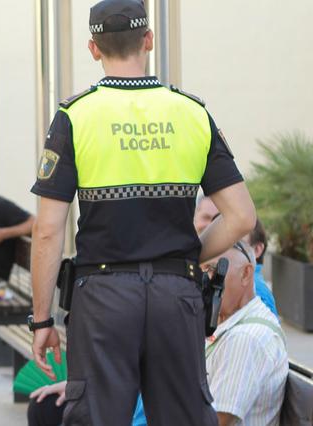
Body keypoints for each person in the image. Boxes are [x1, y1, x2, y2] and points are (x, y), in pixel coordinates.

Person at [29, 0, 256, 424]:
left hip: (103, 296)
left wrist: (41, 319)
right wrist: (188, 257)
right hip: (178, 294)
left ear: (93, 49)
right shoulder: (192, 112)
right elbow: (241, 216)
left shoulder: (75, 117)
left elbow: (47, 231)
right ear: (148, 40)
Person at [203, 241, 288, 425]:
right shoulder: (232, 323)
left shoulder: (245, 339)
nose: (206, 281)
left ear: (246, 274)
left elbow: (216, 421)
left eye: (213, 270)